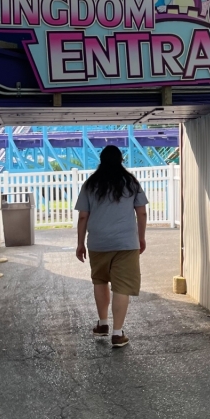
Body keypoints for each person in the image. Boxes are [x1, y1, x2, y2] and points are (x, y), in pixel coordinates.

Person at [75, 146, 148, 347]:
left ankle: (103, 323)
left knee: (100, 281)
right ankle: (117, 333)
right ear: (120, 159)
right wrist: (141, 237)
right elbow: (141, 213)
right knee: (121, 286)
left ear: (101, 160)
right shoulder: (131, 182)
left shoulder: (91, 184)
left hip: (98, 243)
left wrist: (80, 243)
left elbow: (83, 216)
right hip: (126, 243)